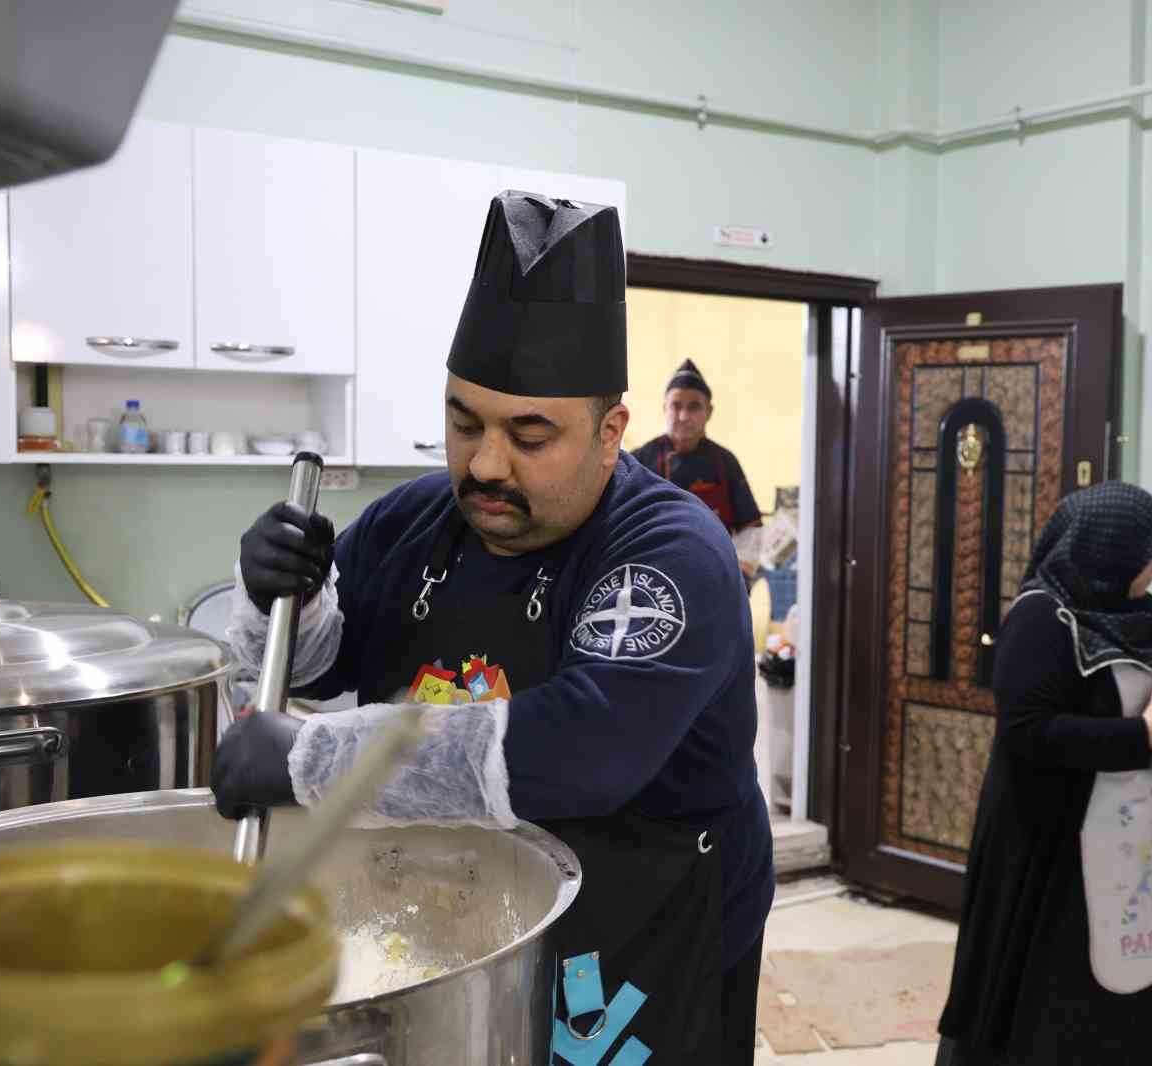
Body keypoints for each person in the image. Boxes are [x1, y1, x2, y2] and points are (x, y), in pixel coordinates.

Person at [212, 191, 774, 1064]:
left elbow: (583, 749)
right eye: (463, 420)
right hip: (458, 925)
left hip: (649, 941)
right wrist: (278, 594)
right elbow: (321, 667)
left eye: (530, 434)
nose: (483, 464)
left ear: (609, 431)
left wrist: (305, 760)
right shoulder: (414, 519)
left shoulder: (668, 552)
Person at [935, 482, 1152, 1066]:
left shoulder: (1136, 611)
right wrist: (1142, 738)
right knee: (1062, 1006)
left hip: (1141, 841)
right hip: (1056, 851)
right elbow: (1027, 733)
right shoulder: (1039, 619)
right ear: (1105, 551)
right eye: (1150, 553)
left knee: (1148, 995)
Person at [632, 360, 764, 578]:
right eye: (676, 406)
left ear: (709, 411)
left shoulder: (725, 461)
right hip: (653, 577)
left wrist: (739, 575)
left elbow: (751, 528)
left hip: (713, 575)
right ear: (664, 408)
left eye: (694, 407)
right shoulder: (639, 460)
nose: (684, 416)